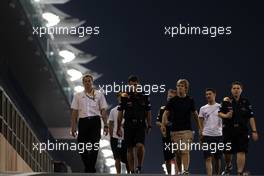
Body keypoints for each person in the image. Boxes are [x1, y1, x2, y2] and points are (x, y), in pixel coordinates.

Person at [70, 74, 109, 173]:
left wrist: (106, 125)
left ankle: (90, 168)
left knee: (95, 145)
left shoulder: (99, 95)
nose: (87, 83)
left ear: (92, 82)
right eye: (85, 81)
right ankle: (89, 167)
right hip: (83, 122)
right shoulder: (78, 96)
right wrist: (73, 126)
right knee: (81, 146)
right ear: (83, 83)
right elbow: (74, 112)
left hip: (95, 122)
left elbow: (103, 110)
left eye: (89, 81)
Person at [162, 79, 201, 175]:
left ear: (186, 88)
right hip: (175, 130)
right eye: (178, 85)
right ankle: (179, 171)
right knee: (177, 153)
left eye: (182, 86)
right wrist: (163, 125)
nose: (179, 87)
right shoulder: (172, 101)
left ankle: (186, 170)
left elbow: (195, 115)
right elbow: (165, 114)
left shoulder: (190, 100)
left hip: (187, 130)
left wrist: (200, 127)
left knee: (184, 150)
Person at [219, 81, 258, 175]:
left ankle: (239, 172)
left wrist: (254, 131)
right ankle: (228, 165)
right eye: (234, 88)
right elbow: (219, 113)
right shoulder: (226, 101)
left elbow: (251, 117)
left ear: (241, 90)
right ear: (231, 90)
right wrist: (226, 115)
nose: (236, 90)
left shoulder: (246, 102)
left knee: (241, 151)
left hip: (242, 130)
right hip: (228, 130)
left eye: (238, 88)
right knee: (227, 152)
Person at [117, 75, 152, 174]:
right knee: (129, 148)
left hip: (140, 124)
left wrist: (149, 125)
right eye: (132, 85)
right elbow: (120, 112)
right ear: (129, 85)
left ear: (138, 84)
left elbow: (148, 112)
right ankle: (132, 171)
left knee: (140, 146)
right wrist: (118, 127)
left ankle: (139, 167)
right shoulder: (124, 96)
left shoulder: (144, 96)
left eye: (135, 85)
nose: (134, 87)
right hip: (128, 124)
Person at [199, 88, 222, 176]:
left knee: (217, 158)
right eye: (206, 94)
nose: (208, 96)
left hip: (218, 135)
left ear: (214, 94)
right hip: (206, 135)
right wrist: (201, 133)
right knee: (207, 158)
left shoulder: (220, 106)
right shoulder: (202, 108)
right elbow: (200, 122)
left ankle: (217, 174)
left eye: (210, 94)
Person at [156, 89, 178, 175]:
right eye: (168, 96)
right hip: (166, 136)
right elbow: (157, 121)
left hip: (176, 135)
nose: (169, 98)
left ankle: (177, 173)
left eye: (171, 97)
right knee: (167, 157)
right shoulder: (162, 109)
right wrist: (162, 125)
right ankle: (168, 174)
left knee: (176, 155)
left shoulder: (178, 109)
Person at [109, 92, 129, 174]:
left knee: (127, 159)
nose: (121, 99)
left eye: (123, 97)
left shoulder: (129, 109)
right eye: (119, 97)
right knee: (117, 157)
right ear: (118, 99)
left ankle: (130, 173)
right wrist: (111, 136)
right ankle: (118, 174)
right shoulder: (113, 110)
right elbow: (110, 123)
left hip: (127, 138)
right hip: (115, 138)